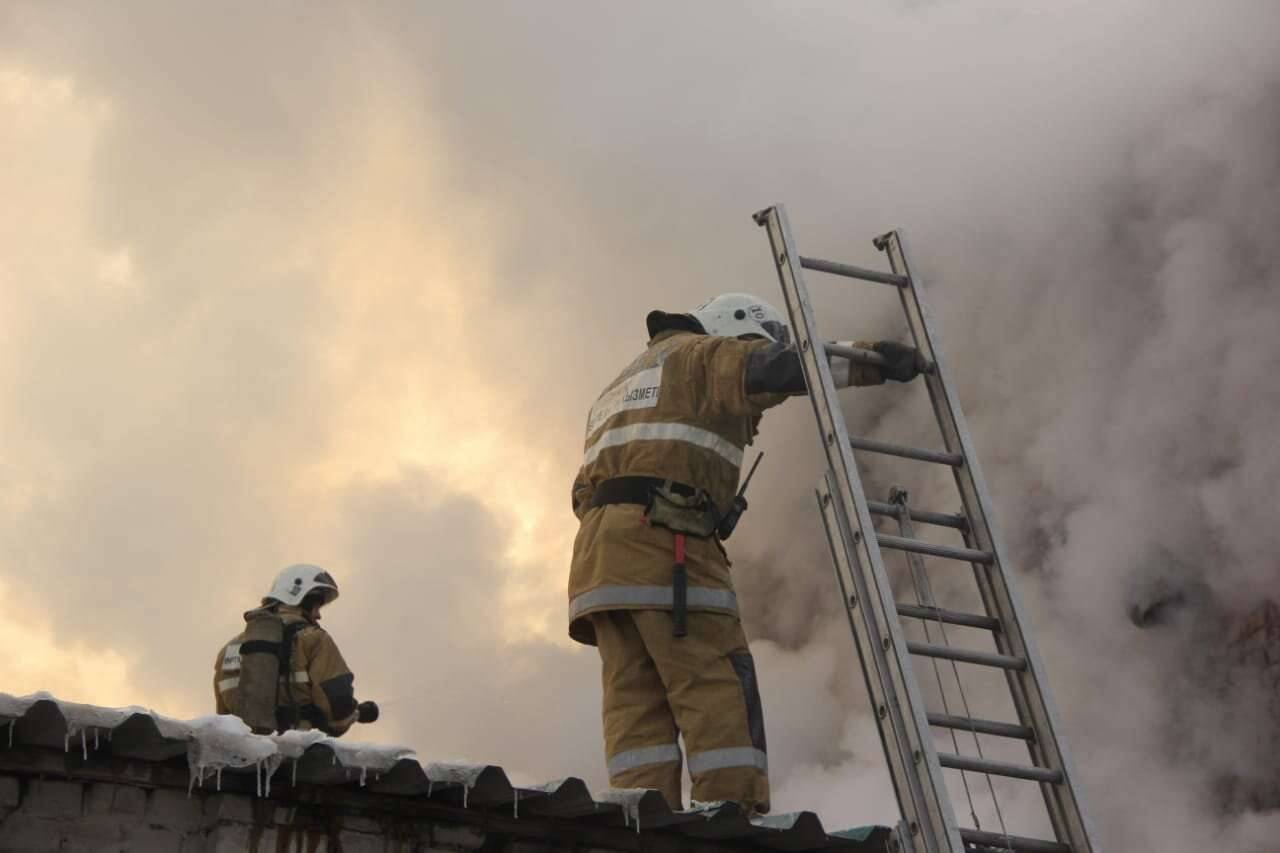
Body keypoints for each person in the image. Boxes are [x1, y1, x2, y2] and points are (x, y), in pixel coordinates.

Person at [568, 293, 925, 814]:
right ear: (735, 331)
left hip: (599, 569)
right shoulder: (704, 355)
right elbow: (778, 366)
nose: (753, 416)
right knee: (718, 690)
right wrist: (874, 360)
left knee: (636, 711)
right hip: (669, 549)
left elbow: (581, 494)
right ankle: (731, 821)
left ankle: (637, 826)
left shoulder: (620, 386)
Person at [214, 564, 378, 736]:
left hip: (246, 755)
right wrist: (355, 714)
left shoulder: (228, 649)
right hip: (294, 754)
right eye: (316, 606)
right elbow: (337, 709)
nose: (318, 615)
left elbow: (224, 721)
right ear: (302, 599)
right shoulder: (313, 639)